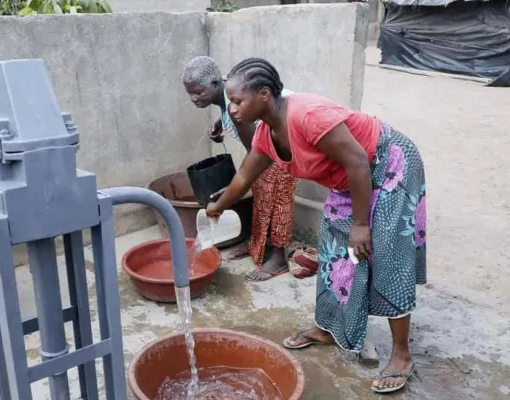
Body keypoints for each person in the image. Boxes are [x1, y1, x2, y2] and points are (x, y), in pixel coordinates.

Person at [206, 58, 427, 394]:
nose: (232, 109)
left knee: (384, 254)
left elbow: (356, 159)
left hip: (386, 163)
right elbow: (243, 176)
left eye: (237, 101)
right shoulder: (267, 134)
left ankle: (401, 354)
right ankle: (329, 328)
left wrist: (359, 224)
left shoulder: (306, 115)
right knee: (334, 255)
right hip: (351, 178)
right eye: (230, 102)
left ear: (264, 94)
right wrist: (217, 208)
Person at [181, 56, 318, 281]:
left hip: (284, 145)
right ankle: (258, 245)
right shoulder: (229, 92)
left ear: (215, 84)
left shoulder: (238, 111)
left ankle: (278, 257)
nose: (194, 98)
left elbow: (257, 150)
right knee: (262, 196)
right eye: (190, 93)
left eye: (198, 92)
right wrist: (219, 122)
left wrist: (238, 183)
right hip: (272, 142)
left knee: (279, 199)